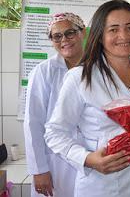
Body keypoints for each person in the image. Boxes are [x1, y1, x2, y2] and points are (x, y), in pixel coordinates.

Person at [44, 0, 130, 197]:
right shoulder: (81, 77)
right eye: (113, 29)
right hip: (101, 185)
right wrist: (88, 159)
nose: (123, 36)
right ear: (99, 35)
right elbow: (54, 132)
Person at [24, 12, 86, 197]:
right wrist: (38, 169)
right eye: (57, 36)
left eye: (70, 33)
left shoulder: (97, 67)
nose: (64, 40)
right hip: (54, 163)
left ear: (82, 32)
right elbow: (33, 123)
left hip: (89, 160)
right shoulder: (43, 72)